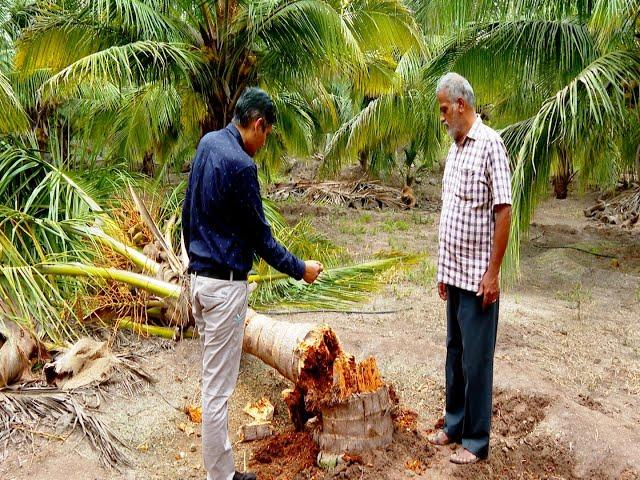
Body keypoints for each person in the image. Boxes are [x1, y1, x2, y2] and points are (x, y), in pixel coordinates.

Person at [182, 87, 324, 480]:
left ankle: (221, 470)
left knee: (214, 384)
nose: (264, 143)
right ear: (259, 124)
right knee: (217, 390)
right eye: (268, 133)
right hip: (224, 288)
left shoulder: (209, 143)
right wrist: (301, 269)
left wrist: (192, 260)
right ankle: (220, 477)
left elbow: (186, 209)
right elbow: (262, 238)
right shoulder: (241, 166)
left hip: (200, 281)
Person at [428, 73, 512, 464]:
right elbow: (452, 213)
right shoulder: (456, 149)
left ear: (461, 104)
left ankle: (477, 440)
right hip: (456, 274)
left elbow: (503, 210)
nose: (443, 117)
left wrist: (493, 273)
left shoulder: (490, 144)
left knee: (477, 360)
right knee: (455, 353)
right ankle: (454, 424)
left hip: (480, 279)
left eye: (445, 109)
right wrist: (444, 272)